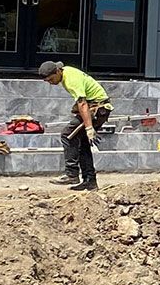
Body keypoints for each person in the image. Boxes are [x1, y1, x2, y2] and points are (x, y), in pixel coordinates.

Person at [38, 60, 110, 191]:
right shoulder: (66, 71)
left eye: (51, 79)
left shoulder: (71, 80)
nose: (50, 83)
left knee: (67, 135)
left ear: (58, 72)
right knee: (82, 143)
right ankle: (90, 181)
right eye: (47, 81)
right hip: (98, 107)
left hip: (98, 108)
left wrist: (89, 128)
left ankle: (71, 174)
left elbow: (83, 104)